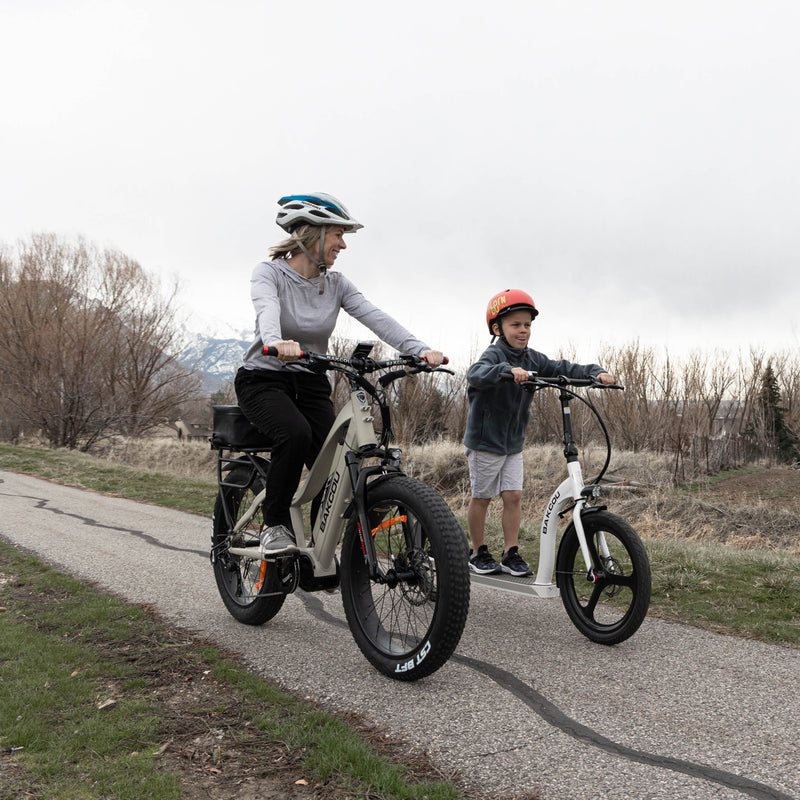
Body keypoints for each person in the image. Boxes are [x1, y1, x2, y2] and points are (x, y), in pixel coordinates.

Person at [235, 192, 444, 556]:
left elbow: (376, 317)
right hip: (264, 378)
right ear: (310, 234)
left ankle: (321, 549)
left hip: (311, 380)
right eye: (337, 234)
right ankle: (274, 525)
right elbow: (266, 307)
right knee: (294, 434)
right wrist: (275, 341)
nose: (343, 244)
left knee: (333, 463)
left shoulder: (336, 284)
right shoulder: (269, 273)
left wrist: (419, 350)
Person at [463, 289, 614, 577]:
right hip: (486, 443)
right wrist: (506, 370)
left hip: (512, 444)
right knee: (482, 496)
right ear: (498, 328)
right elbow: (476, 373)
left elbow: (562, 368)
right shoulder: (493, 355)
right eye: (515, 325)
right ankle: (478, 551)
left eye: (527, 325)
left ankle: (510, 553)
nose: (523, 331)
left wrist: (596, 373)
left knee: (514, 496)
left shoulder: (533, 359)